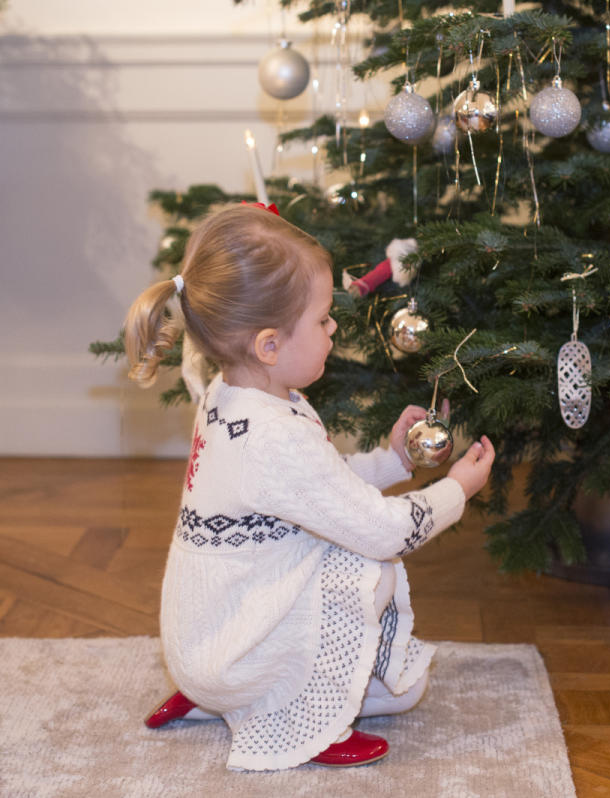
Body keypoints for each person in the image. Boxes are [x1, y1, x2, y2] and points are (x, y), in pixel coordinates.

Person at [124, 204, 495, 772]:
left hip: (205, 639)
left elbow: (317, 486)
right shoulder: (272, 434)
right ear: (269, 345)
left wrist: (394, 461)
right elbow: (381, 531)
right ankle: (303, 722)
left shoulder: (231, 394)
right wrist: (456, 489)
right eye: (323, 320)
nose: (334, 328)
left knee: (403, 689)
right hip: (232, 652)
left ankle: (219, 695)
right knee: (368, 568)